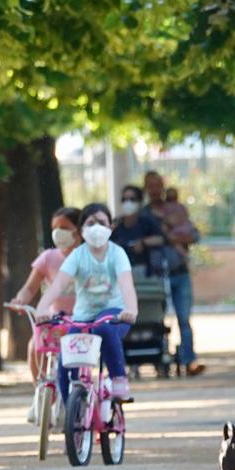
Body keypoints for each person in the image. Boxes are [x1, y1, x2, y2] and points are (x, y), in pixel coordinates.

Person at [35, 204, 137, 401]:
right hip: (83, 319)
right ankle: (71, 417)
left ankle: (119, 379)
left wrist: (131, 309)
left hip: (115, 315)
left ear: (111, 226)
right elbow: (57, 286)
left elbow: (126, 285)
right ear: (81, 229)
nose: (96, 228)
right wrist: (42, 307)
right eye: (90, 223)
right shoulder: (77, 255)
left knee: (104, 328)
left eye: (102, 223)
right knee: (66, 365)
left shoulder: (117, 254)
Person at [9, 207, 82, 387]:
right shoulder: (48, 257)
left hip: (82, 320)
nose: (58, 232)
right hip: (54, 320)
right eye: (54, 227)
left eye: (64, 227)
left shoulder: (89, 257)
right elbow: (29, 288)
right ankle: (40, 390)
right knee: (35, 345)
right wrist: (20, 301)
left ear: (79, 231)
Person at [143, 171, 205, 376]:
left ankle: (189, 360)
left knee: (184, 319)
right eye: (150, 186)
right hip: (157, 274)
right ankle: (160, 360)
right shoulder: (145, 215)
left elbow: (193, 235)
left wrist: (171, 237)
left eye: (157, 185)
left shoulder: (177, 210)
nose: (154, 190)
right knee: (156, 319)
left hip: (180, 271)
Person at [111, 185, 166, 278]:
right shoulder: (116, 223)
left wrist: (143, 242)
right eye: (124, 199)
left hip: (143, 272)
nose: (128, 203)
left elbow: (160, 239)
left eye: (132, 199)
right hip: (119, 272)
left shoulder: (146, 222)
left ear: (140, 202)